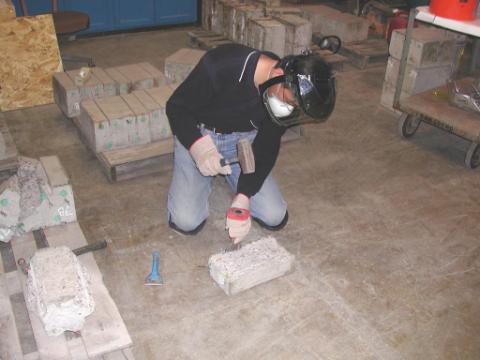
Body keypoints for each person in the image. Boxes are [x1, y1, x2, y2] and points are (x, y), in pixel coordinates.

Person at [165, 43, 336, 244]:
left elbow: (267, 145)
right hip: (200, 134)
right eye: (289, 102)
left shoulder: (284, 96)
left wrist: (244, 196)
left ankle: (229, 177)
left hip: (243, 143)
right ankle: (203, 175)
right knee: (186, 221)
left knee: (274, 215)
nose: (288, 108)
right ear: (278, 74)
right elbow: (176, 108)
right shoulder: (222, 65)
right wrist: (198, 147)